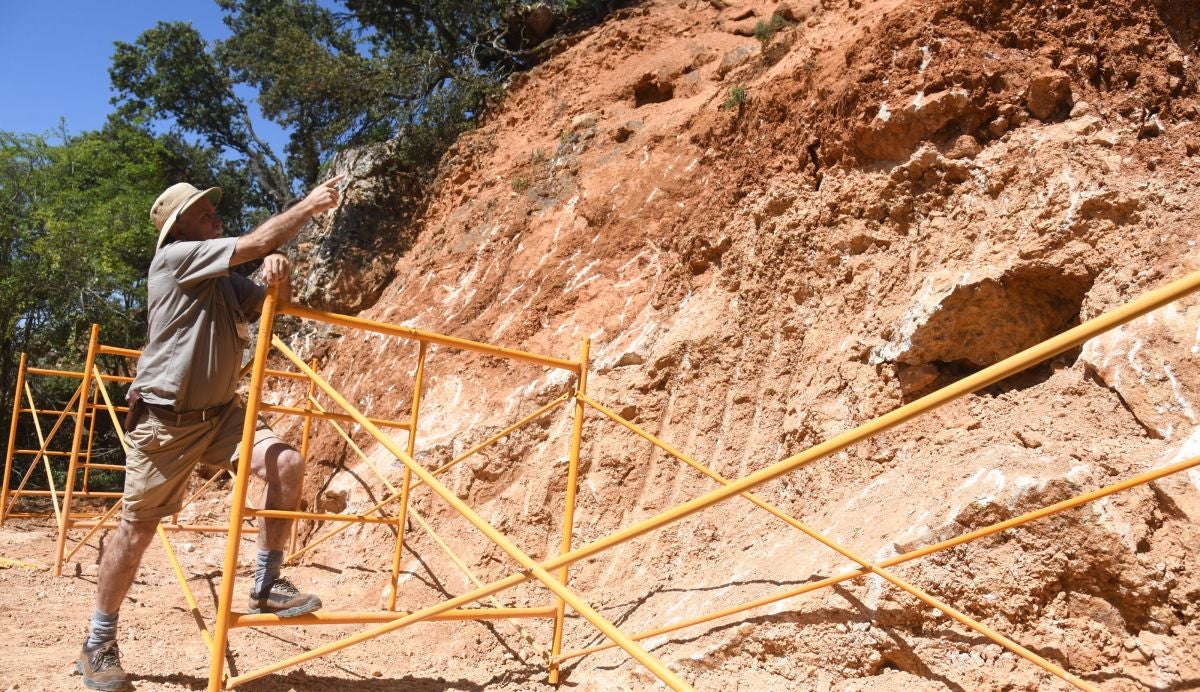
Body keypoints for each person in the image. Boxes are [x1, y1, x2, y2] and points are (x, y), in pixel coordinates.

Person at [77, 176, 343, 691]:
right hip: (166, 424)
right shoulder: (176, 260)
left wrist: (276, 276)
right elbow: (256, 242)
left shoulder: (221, 281)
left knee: (286, 462)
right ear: (179, 229)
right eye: (202, 212)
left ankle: (267, 586)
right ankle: (98, 641)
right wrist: (307, 207)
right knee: (137, 530)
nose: (214, 216)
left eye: (211, 210)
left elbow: (274, 305)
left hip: (220, 415)